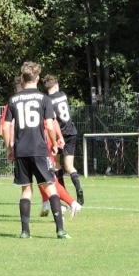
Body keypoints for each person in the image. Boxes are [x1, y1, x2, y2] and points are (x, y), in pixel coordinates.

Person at [2, 61, 70, 239]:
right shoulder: (44, 99)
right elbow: (49, 125)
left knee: (26, 190)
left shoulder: (13, 100)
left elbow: (6, 127)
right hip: (39, 149)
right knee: (50, 187)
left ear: (22, 78)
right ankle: (60, 230)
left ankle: (25, 231)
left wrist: (9, 148)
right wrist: (54, 143)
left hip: (21, 150)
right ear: (37, 78)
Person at [43, 75, 85, 205]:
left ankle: (64, 193)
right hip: (71, 131)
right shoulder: (63, 95)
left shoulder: (47, 100)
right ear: (56, 85)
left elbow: (52, 119)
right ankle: (78, 188)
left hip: (58, 134)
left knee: (56, 164)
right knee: (69, 166)